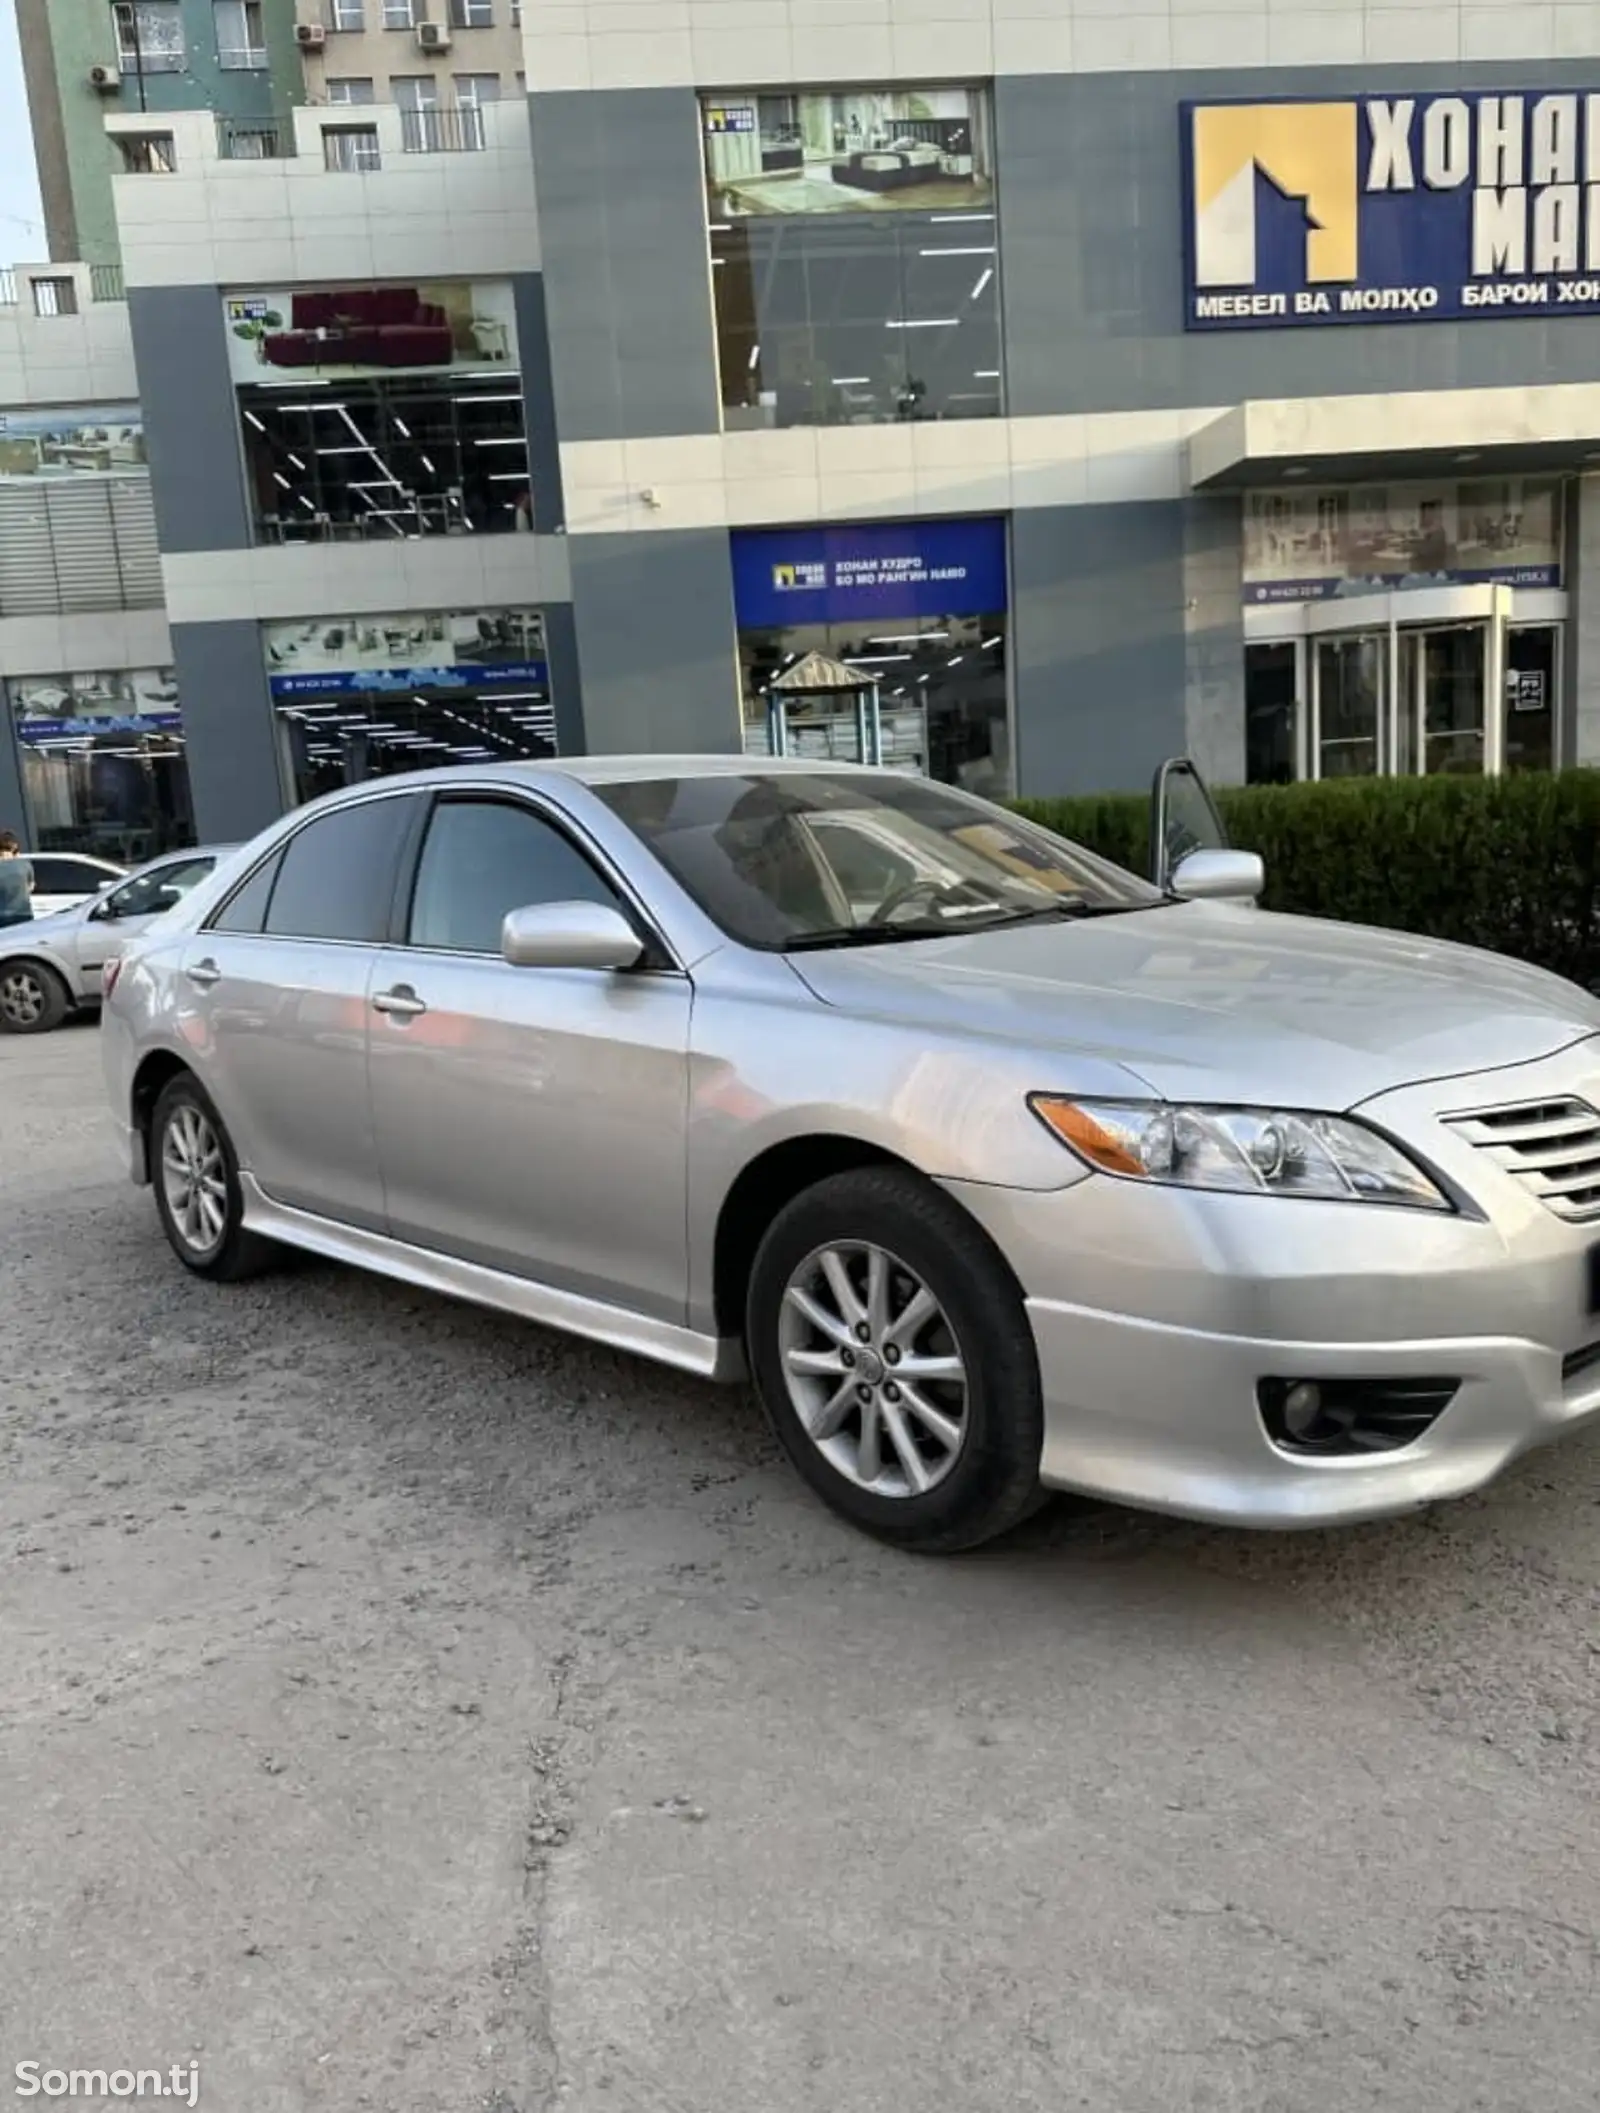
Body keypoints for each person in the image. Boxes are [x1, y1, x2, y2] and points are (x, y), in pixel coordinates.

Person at [0, 832, 33, 929]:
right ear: (14, 848)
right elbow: (31, 887)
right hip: (24, 914)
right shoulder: (25, 865)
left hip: (2, 916)